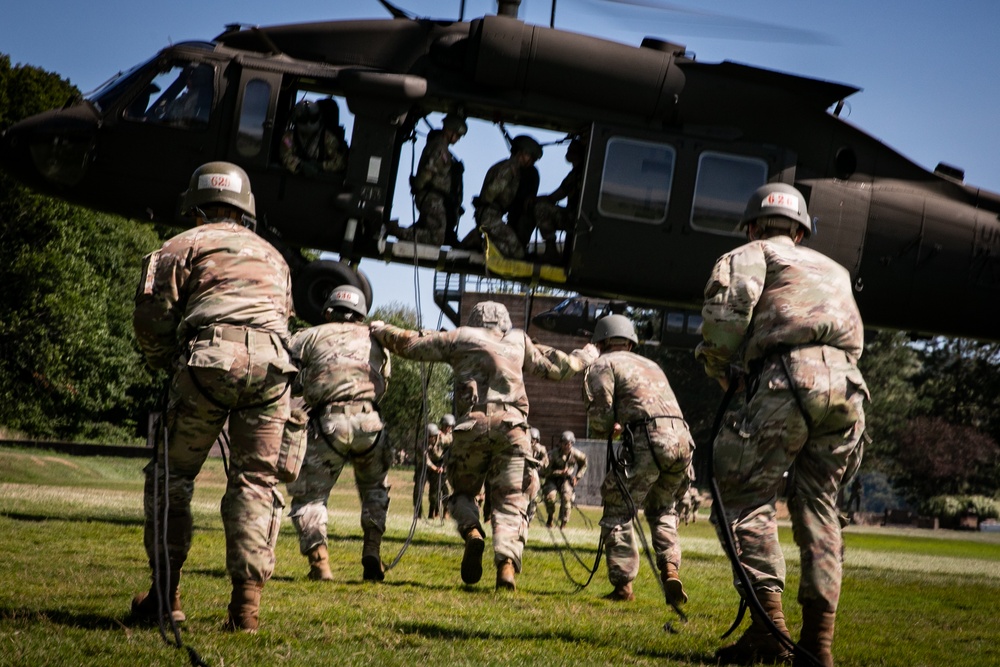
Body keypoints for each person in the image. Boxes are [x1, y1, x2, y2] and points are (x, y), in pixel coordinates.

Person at [695, 183, 869, 667]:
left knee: (744, 498)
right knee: (820, 507)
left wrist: (722, 368)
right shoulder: (834, 269)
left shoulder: (751, 253)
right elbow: (854, 338)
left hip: (787, 377)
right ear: (801, 228)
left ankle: (768, 626)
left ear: (753, 225)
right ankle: (818, 646)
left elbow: (724, 318)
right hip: (848, 386)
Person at [130, 161, 302, 632]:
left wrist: (168, 363)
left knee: (172, 475)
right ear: (243, 209)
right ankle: (246, 607)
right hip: (273, 371)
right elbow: (283, 318)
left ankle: (165, 597)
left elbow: (151, 317)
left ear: (196, 207)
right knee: (256, 483)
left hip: (208, 362)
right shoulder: (275, 256)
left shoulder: (181, 246)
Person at [370, 301, 597, 591]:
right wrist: (587, 354)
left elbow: (411, 343)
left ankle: (473, 532)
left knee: (463, 492)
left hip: (470, 426)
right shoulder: (518, 340)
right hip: (512, 429)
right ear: (503, 321)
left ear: (475, 320)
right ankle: (506, 567)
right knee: (511, 500)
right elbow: (560, 367)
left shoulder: (460, 337)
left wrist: (379, 328)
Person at [583, 314, 695, 604]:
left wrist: (612, 427)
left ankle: (623, 587)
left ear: (602, 341)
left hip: (649, 439)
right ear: (631, 341)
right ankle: (670, 569)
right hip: (682, 440)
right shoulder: (652, 364)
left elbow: (600, 417)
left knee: (618, 507)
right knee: (663, 508)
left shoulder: (603, 364)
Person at [286, 285, 392, 583]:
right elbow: (384, 381)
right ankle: (372, 550)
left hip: (327, 422)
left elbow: (285, 373)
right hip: (370, 422)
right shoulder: (375, 338)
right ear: (360, 314)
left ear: (328, 311)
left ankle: (321, 566)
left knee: (310, 497)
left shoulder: (309, 336)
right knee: (374, 490)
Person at [463, 135, 543, 260]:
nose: (531, 162)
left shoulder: (509, 166)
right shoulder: (510, 167)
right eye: (531, 157)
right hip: (490, 215)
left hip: (491, 214)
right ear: (522, 153)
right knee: (517, 252)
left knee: (512, 248)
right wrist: (488, 202)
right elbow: (492, 190)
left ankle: (479, 240)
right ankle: (480, 242)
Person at [393, 115, 467, 246]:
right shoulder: (440, 148)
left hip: (436, 198)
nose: (458, 139)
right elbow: (429, 171)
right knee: (436, 238)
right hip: (431, 197)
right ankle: (393, 229)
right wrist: (418, 186)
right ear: (449, 130)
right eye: (457, 135)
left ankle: (405, 232)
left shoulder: (443, 149)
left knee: (437, 232)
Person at [533, 137, 585, 264]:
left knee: (541, 208)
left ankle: (551, 251)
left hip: (578, 219)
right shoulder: (577, 172)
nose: (568, 151)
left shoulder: (579, 172)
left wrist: (535, 200)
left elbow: (555, 197)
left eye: (572, 149)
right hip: (580, 218)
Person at [280, 99, 348, 177]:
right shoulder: (289, 138)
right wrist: (300, 166)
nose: (308, 124)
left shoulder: (327, 138)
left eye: (313, 118)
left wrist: (320, 166)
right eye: (304, 119)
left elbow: (340, 162)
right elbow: (285, 155)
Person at [542, 431, 588, 530]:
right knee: (550, 497)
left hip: (566, 480)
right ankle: (550, 518)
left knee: (567, 497)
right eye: (565, 443)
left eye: (570, 443)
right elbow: (546, 471)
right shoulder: (552, 454)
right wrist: (559, 472)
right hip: (552, 478)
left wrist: (577, 477)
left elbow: (584, 464)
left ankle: (563, 524)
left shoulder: (576, 454)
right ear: (561, 443)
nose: (567, 446)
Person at [415, 422, 450, 519]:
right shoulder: (422, 444)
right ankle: (417, 513)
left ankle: (433, 512)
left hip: (439, 463)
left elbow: (452, 448)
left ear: (436, 436)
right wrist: (436, 469)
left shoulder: (444, 439)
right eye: (428, 436)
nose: (429, 439)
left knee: (435, 491)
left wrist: (445, 464)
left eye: (431, 437)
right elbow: (426, 461)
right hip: (424, 466)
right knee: (418, 489)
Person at [525, 427, 549, 526]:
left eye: (534, 439)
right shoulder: (523, 445)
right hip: (522, 472)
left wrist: (540, 463)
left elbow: (546, 461)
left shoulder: (540, 449)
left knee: (533, 498)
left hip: (534, 473)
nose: (532, 441)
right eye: (530, 439)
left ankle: (529, 518)